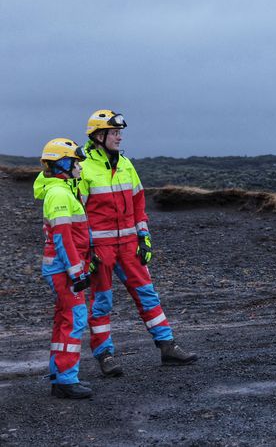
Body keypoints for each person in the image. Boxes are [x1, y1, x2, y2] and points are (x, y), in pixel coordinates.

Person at [79, 109, 197, 376]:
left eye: (120, 133)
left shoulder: (125, 164)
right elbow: (79, 214)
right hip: (101, 250)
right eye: (115, 133)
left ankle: (168, 346)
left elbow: (138, 204)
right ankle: (105, 356)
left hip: (130, 244)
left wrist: (144, 237)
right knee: (102, 302)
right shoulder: (84, 168)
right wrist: (87, 250)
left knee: (148, 295)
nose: (120, 138)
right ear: (99, 136)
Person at [33, 138, 93, 399]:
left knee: (64, 319)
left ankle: (60, 376)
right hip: (64, 269)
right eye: (76, 162)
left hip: (61, 268)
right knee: (75, 319)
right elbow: (63, 238)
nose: (80, 167)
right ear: (64, 164)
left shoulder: (62, 189)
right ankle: (67, 380)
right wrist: (76, 271)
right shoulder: (59, 193)